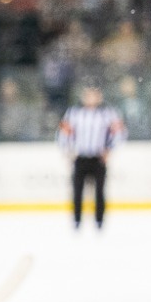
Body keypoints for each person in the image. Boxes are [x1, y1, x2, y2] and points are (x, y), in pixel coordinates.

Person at [58, 82, 123, 230]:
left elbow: (119, 133)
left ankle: (99, 220)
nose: (91, 98)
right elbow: (63, 133)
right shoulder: (74, 112)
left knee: (100, 191)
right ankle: (77, 220)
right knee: (77, 190)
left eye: (94, 95)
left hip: (98, 158)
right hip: (80, 157)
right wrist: (68, 151)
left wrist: (109, 150)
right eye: (88, 95)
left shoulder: (108, 112)